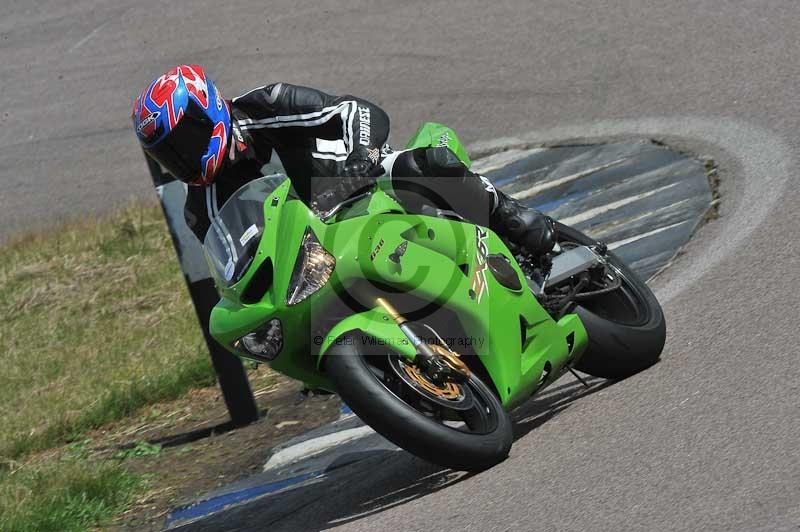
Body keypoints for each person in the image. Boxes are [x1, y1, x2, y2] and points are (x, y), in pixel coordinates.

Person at [132, 65, 555, 255]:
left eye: (184, 140)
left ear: (208, 108)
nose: (182, 157)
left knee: (426, 165)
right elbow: (234, 277)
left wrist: (360, 156)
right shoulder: (199, 211)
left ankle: (511, 218)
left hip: (361, 186)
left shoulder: (269, 104)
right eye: (169, 154)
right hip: (321, 255)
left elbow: (358, 111)